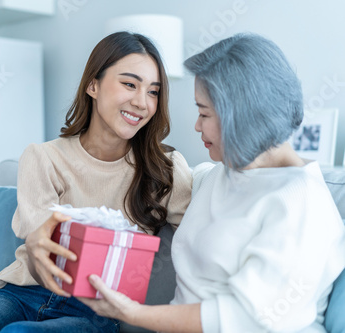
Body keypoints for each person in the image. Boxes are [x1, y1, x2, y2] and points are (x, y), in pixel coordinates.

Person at [78, 33, 345, 332]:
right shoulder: (225, 173)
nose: (196, 125)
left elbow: (240, 320)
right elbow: (162, 179)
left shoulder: (303, 206)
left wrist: (132, 313)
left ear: (242, 116)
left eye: (204, 112)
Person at [0, 31, 192, 332]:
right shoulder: (43, 157)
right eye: (130, 84)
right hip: (20, 293)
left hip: (96, 309)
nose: (141, 102)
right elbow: (37, 237)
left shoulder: (166, 167)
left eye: (153, 92)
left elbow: (201, 234)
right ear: (93, 85)